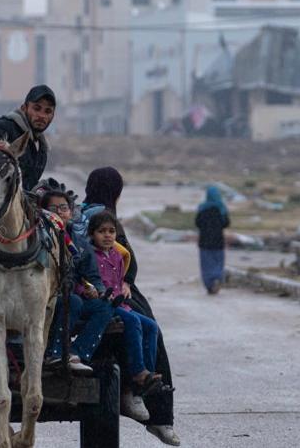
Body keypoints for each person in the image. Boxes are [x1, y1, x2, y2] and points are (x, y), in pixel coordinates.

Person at [81, 166, 180, 446]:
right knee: (150, 328)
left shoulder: (83, 210)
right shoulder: (103, 216)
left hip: (107, 286)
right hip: (106, 289)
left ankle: (134, 389)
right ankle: (156, 412)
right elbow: (122, 261)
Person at [37, 180, 112, 374]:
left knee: (104, 307)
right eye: (53, 208)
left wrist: (98, 291)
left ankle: (77, 353)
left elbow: (93, 275)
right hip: (42, 297)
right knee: (74, 302)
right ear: (43, 212)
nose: (60, 212)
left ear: (71, 212)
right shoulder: (38, 238)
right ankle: (55, 354)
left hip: (70, 296)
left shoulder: (79, 242)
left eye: (64, 207)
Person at [195, 185, 230, 295]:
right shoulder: (221, 208)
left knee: (206, 265)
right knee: (218, 263)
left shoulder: (202, 208)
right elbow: (226, 223)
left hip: (205, 242)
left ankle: (210, 285)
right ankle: (217, 278)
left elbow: (197, 223)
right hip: (218, 241)